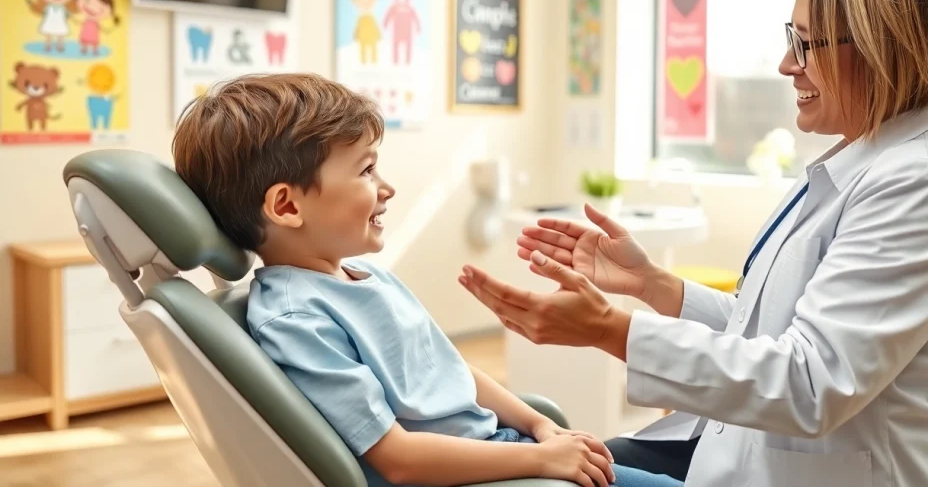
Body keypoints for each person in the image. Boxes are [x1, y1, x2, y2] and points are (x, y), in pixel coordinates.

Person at [459, 0, 928, 487]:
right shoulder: (863, 156)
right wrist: (654, 285)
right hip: (736, 446)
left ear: (881, 46)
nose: (787, 64)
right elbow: (773, 329)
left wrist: (607, 329)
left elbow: (809, 382)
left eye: (807, 43)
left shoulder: (923, 187)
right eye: (792, 37)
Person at [171, 73, 684, 487]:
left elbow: (450, 370)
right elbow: (400, 461)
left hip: (506, 455)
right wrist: (540, 461)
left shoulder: (367, 275)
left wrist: (537, 425)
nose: (387, 188)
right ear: (287, 205)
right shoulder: (295, 318)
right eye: (366, 171)